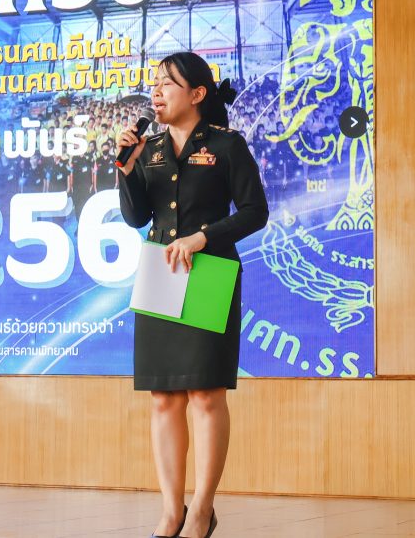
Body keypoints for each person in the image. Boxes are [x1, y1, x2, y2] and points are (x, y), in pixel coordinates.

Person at [116, 52, 268, 538]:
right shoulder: (151, 148)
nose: (156, 91)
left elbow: (255, 211)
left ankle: (202, 509)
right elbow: (137, 217)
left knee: (205, 393)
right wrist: (127, 170)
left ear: (197, 94)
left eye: (168, 83)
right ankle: (171, 511)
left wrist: (204, 237)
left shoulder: (226, 145)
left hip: (210, 272)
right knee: (163, 397)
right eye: (155, 83)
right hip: (160, 272)